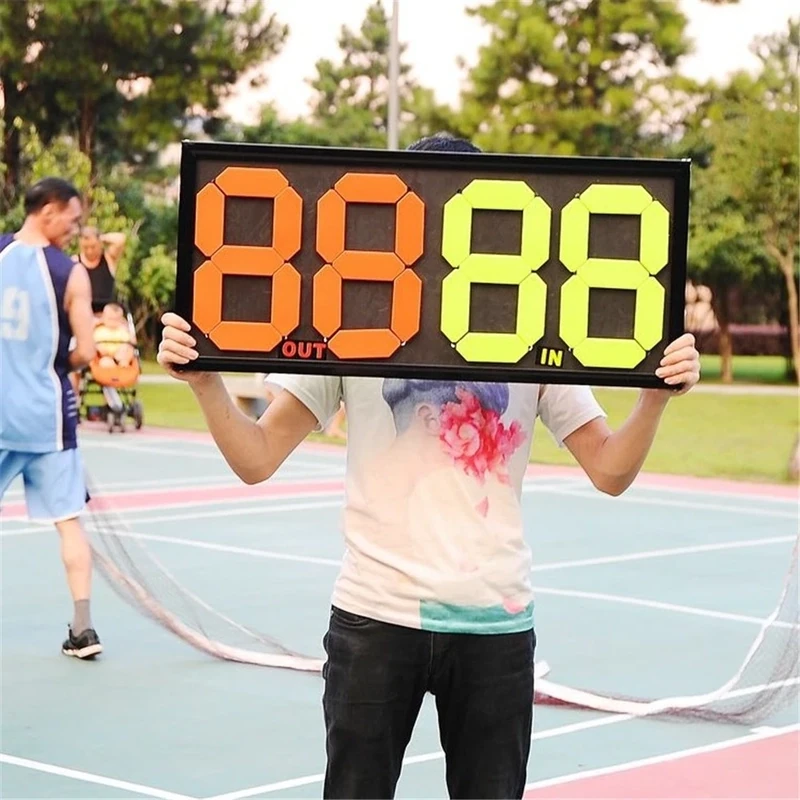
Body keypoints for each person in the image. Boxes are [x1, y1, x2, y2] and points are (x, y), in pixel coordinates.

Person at [157, 134, 701, 799]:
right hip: (373, 616)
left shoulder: (536, 330)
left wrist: (653, 398)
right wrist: (205, 383)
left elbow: (609, 469)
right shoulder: (350, 317)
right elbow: (257, 457)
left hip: (495, 623)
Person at [0, 177, 103, 659]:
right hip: (47, 418)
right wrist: (57, 358)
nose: (74, 227)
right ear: (48, 211)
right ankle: (83, 629)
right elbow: (86, 350)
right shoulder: (71, 273)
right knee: (68, 522)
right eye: (71, 217)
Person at [74, 225, 126, 312]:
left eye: (93, 246)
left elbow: (121, 239)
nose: (89, 251)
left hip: (107, 315)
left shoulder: (109, 258)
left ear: (100, 244)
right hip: (83, 313)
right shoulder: (74, 261)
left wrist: (100, 237)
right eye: (86, 247)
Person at [94, 301, 135, 368]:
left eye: (116, 319)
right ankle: (115, 369)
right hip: (105, 356)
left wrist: (125, 356)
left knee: (129, 347)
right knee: (105, 362)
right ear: (103, 318)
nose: (113, 322)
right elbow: (96, 344)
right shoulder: (99, 331)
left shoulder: (122, 331)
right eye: (110, 319)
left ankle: (124, 364)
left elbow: (129, 343)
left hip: (121, 355)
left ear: (121, 320)